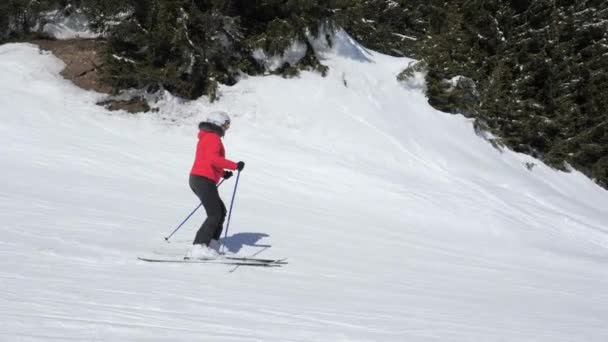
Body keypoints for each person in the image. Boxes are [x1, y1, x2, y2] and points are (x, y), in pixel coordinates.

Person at [186, 111, 245, 259]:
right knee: (215, 214)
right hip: (202, 179)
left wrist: (223, 173)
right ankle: (199, 247)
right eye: (226, 125)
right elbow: (213, 159)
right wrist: (234, 165)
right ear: (218, 123)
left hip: (201, 178)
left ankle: (211, 244)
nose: (227, 128)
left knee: (220, 211)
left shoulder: (208, 137)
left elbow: (207, 160)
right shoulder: (213, 138)